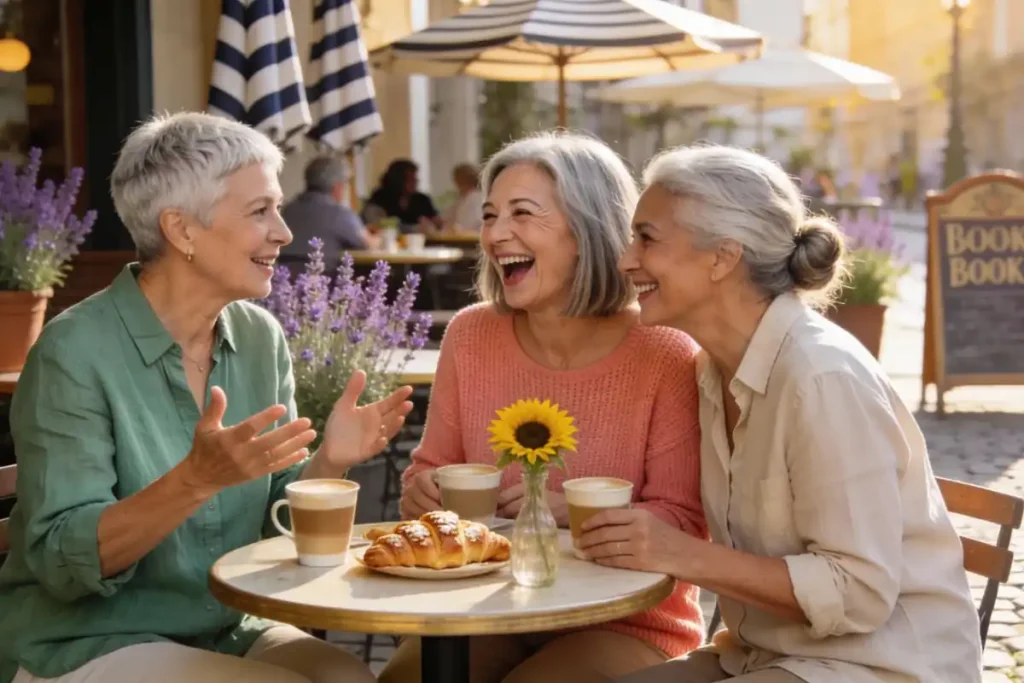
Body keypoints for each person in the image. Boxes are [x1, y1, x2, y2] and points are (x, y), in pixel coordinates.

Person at [0, 112, 415, 683]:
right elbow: (62, 563)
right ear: (182, 230)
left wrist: (329, 462)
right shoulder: (73, 352)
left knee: (351, 679)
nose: (284, 232)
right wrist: (194, 481)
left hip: (227, 625)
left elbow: (273, 533)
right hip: (86, 637)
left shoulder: (259, 337)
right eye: (260, 211)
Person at [577, 145, 983, 683]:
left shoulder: (822, 377)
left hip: (882, 666)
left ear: (723, 258)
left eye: (647, 238)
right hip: (760, 656)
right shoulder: (710, 369)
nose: (626, 260)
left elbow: (859, 593)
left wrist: (682, 555)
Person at [379, 132, 707, 683]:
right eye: (490, 215)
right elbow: (429, 469)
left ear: (586, 230)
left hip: (625, 621)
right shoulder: (471, 335)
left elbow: (685, 520)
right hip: (486, 605)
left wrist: (573, 516)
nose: (494, 234)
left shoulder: (665, 351)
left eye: (522, 213)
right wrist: (423, 493)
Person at [281, 156, 377, 270]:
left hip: (283, 278)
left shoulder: (287, 210)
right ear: (338, 186)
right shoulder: (341, 214)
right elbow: (367, 245)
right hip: (325, 278)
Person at [363, 159, 441, 232]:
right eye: (410, 178)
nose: (415, 181)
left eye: (415, 177)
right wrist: (415, 228)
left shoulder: (422, 199)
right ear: (397, 180)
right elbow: (376, 224)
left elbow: (436, 222)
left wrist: (436, 224)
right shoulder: (380, 198)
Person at [443, 162, 483, 231]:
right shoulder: (462, 198)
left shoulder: (476, 198)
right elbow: (448, 218)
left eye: (457, 178)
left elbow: (471, 224)